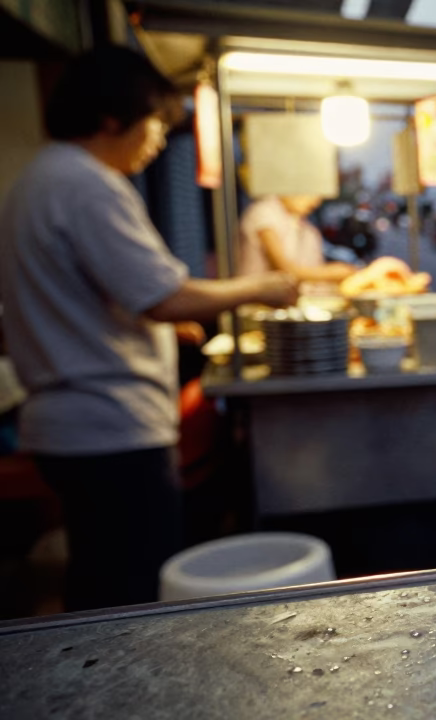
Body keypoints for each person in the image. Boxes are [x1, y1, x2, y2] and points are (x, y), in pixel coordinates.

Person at [0, 46, 298, 611]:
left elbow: (104, 294)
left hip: (72, 424)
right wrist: (262, 287)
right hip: (107, 425)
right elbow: (163, 293)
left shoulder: (41, 178)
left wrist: (166, 319)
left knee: (102, 573)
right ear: (111, 118)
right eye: (155, 122)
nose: (159, 138)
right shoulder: (85, 184)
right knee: (130, 590)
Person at [238, 195, 354, 282]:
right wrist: (332, 273)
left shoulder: (308, 229)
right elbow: (284, 269)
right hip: (256, 306)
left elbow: (309, 271)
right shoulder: (264, 212)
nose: (316, 202)